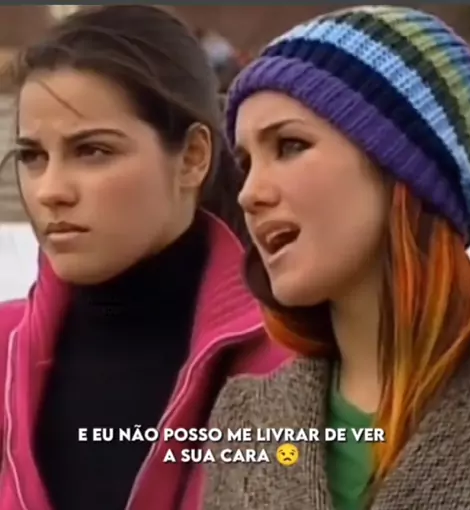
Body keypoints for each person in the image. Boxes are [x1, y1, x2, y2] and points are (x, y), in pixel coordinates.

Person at [0, 6, 288, 510]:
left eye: (93, 151)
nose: (50, 191)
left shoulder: (297, 363)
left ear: (193, 157)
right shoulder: (5, 349)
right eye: (32, 156)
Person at [203, 6, 470, 510]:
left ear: (405, 167)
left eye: (290, 145)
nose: (249, 193)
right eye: (245, 163)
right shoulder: (246, 420)